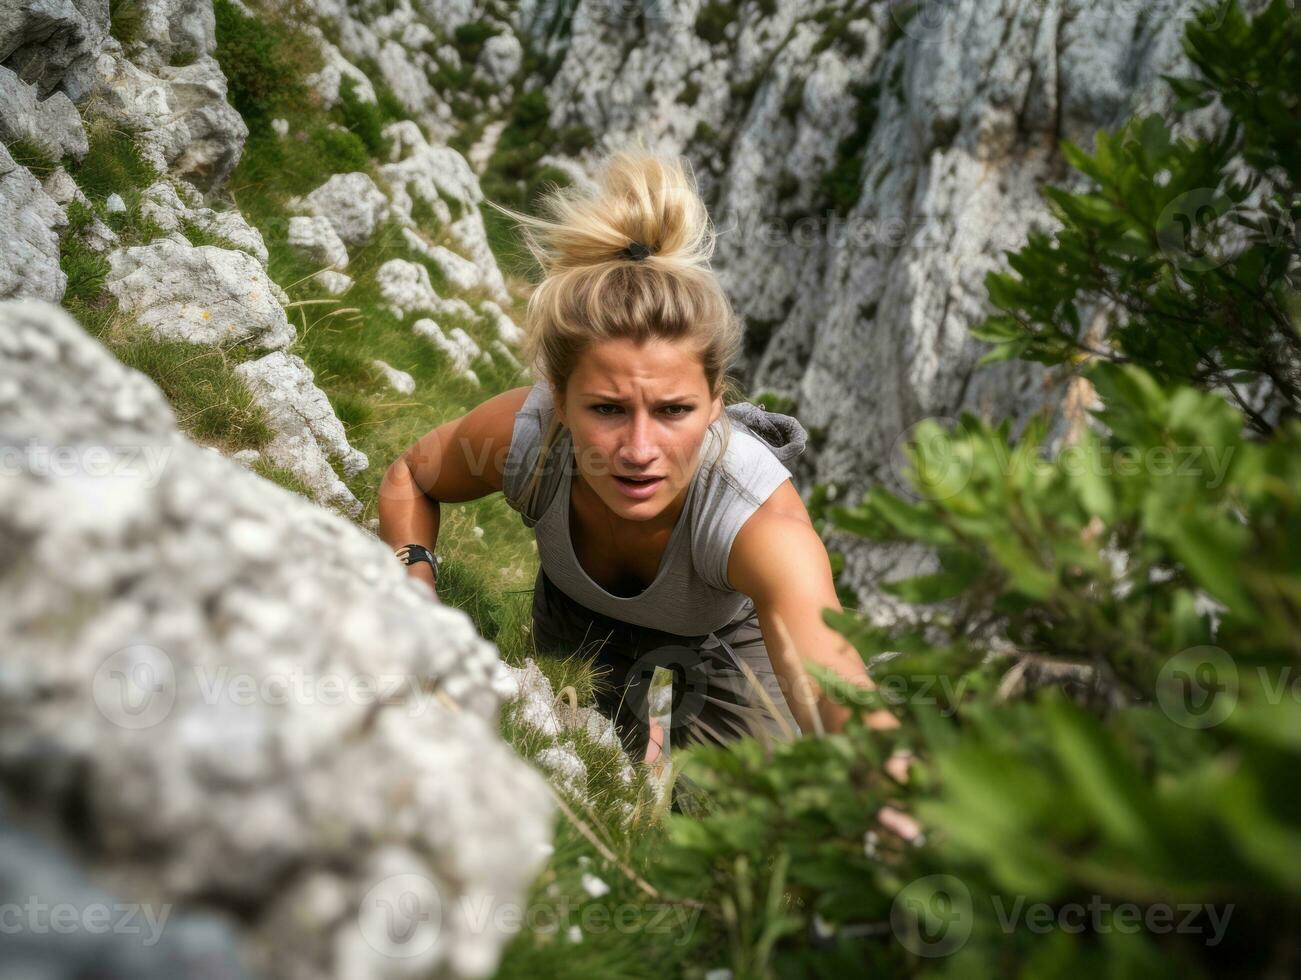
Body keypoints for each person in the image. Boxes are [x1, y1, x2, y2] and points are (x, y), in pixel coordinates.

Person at [377, 146, 898, 766]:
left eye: (673, 410)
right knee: (581, 764)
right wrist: (416, 584)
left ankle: (666, 741)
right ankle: (646, 741)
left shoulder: (755, 520)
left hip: (726, 637)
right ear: (560, 403)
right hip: (580, 617)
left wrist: (891, 783)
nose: (639, 451)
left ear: (715, 405)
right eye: (607, 409)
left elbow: (829, 674)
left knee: (724, 817)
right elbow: (411, 477)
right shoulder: (526, 436)